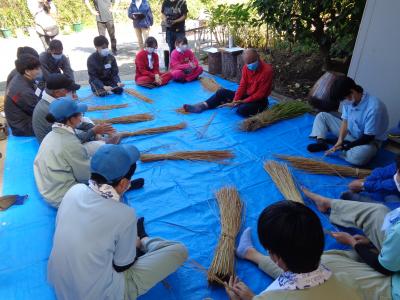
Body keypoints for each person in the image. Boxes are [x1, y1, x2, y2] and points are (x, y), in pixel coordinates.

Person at [48, 143, 188, 300]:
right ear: (122, 183)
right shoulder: (124, 214)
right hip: (99, 295)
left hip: (61, 286)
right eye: (128, 181)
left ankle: (140, 240)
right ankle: (144, 239)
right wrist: (134, 243)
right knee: (178, 251)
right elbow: (122, 265)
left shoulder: (74, 190)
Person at [226, 201, 362, 300]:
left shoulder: (270, 297)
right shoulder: (347, 282)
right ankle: (248, 252)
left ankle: (248, 252)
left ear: (276, 258)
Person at [301, 187, 399, 300]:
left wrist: (353, 243)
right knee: (378, 211)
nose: (396, 175)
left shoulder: (398, 232)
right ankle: (327, 203)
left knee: (317, 266)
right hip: (394, 260)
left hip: (394, 287)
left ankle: (284, 264)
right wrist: (371, 243)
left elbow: (385, 268)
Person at [308, 76, 389, 166]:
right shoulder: (349, 101)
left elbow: (368, 138)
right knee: (322, 116)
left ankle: (346, 150)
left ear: (352, 92)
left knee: (359, 157)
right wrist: (340, 140)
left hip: (370, 141)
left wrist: (345, 146)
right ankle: (321, 142)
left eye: (342, 99)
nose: (343, 102)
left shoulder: (374, 108)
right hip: (351, 132)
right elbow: (345, 122)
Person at [32, 74, 118, 153]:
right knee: (101, 146)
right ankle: (101, 140)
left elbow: (75, 125)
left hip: (64, 136)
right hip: (58, 148)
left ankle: (98, 137)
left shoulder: (55, 104)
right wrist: (93, 131)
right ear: (57, 92)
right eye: (69, 91)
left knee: (85, 120)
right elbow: (70, 140)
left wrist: (94, 129)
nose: (72, 94)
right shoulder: (50, 110)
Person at [33, 97, 91, 207]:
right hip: (61, 197)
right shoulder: (70, 143)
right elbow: (86, 176)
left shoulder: (51, 134)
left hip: (46, 187)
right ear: (71, 119)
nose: (81, 118)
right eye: (80, 115)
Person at [183, 49, 273, 118]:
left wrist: (242, 101)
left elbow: (260, 94)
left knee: (242, 110)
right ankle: (203, 106)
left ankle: (239, 105)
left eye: (251, 62)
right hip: (246, 96)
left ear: (258, 57)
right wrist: (235, 100)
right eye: (247, 63)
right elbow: (242, 85)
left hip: (259, 100)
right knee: (221, 92)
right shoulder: (246, 68)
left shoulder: (267, 71)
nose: (249, 65)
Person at [5, 54, 42, 136]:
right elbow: (39, 112)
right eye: (36, 69)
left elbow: (38, 89)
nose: (39, 71)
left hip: (20, 118)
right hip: (23, 127)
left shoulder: (20, 76)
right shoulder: (23, 91)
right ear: (27, 71)